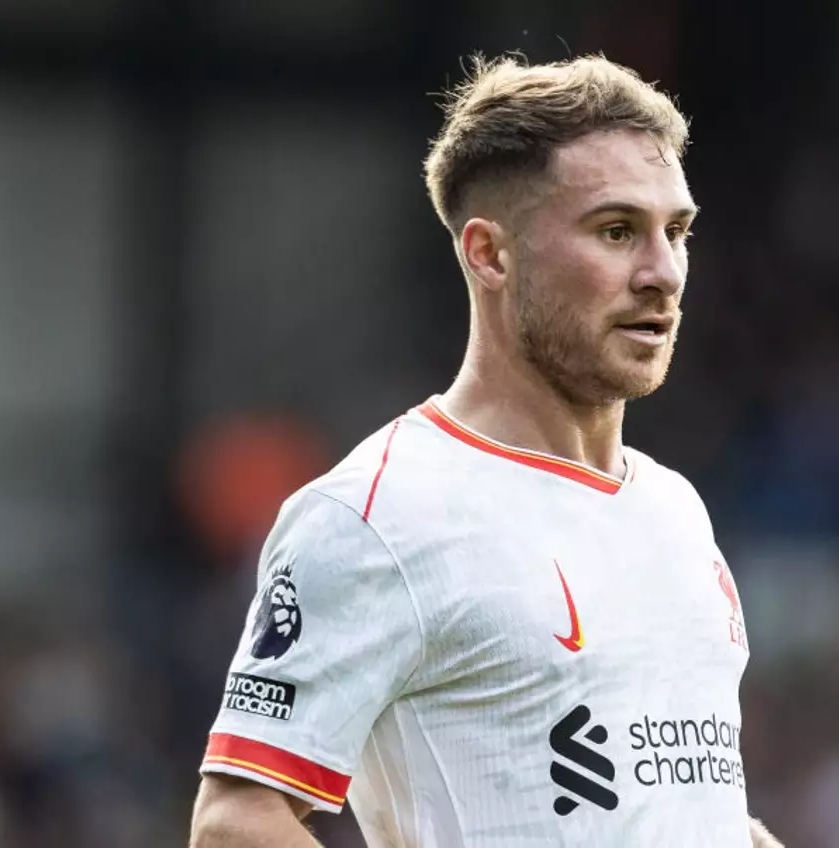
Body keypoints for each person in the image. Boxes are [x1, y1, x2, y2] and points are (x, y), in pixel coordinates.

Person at [187, 54, 782, 847]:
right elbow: (236, 823)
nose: (663, 273)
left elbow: (687, 813)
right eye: (616, 231)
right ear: (489, 254)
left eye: (676, 232)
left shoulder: (674, 506)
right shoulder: (377, 514)